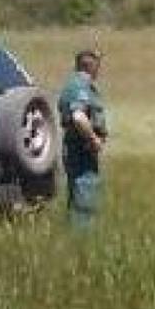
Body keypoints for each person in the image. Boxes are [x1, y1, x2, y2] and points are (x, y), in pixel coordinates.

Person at [57, 49, 110, 229]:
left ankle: (81, 237)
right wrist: (93, 139)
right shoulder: (78, 87)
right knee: (83, 197)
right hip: (80, 150)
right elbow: (78, 117)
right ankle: (82, 239)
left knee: (84, 195)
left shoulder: (82, 86)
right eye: (98, 64)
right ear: (91, 65)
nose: (100, 69)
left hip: (82, 150)